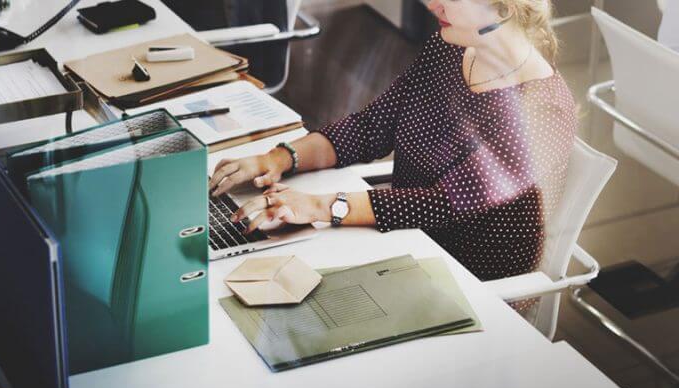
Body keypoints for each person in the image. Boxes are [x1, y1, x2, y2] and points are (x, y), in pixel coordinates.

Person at [209, 0, 577, 313]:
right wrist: (277, 160)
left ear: (505, 5)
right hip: (402, 247)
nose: (431, 3)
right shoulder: (449, 47)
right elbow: (371, 127)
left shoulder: (544, 112)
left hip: (469, 289)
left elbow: (442, 204)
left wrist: (320, 207)